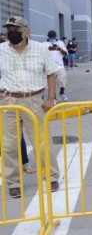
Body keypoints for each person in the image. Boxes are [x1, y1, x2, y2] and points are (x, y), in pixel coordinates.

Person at [0, 16, 60, 198]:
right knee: (9, 145)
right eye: (9, 30)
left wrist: (50, 98)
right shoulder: (1, 50)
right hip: (9, 101)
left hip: (34, 100)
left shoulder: (40, 49)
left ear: (27, 32)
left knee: (42, 143)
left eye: (16, 30)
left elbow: (51, 73)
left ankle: (51, 177)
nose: (12, 33)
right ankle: (13, 183)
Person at [0, 34, 36, 174]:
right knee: (7, 139)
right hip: (6, 99)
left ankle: (24, 163)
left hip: (9, 99)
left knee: (16, 136)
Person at [42, 30, 69, 101]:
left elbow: (66, 53)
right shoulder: (44, 44)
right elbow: (41, 54)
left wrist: (60, 49)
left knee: (63, 80)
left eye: (53, 37)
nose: (52, 39)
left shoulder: (60, 43)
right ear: (48, 37)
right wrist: (48, 49)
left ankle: (62, 92)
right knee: (50, 84)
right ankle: (54, 98)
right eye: (51, 37)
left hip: (60, 66)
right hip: (49, 67)